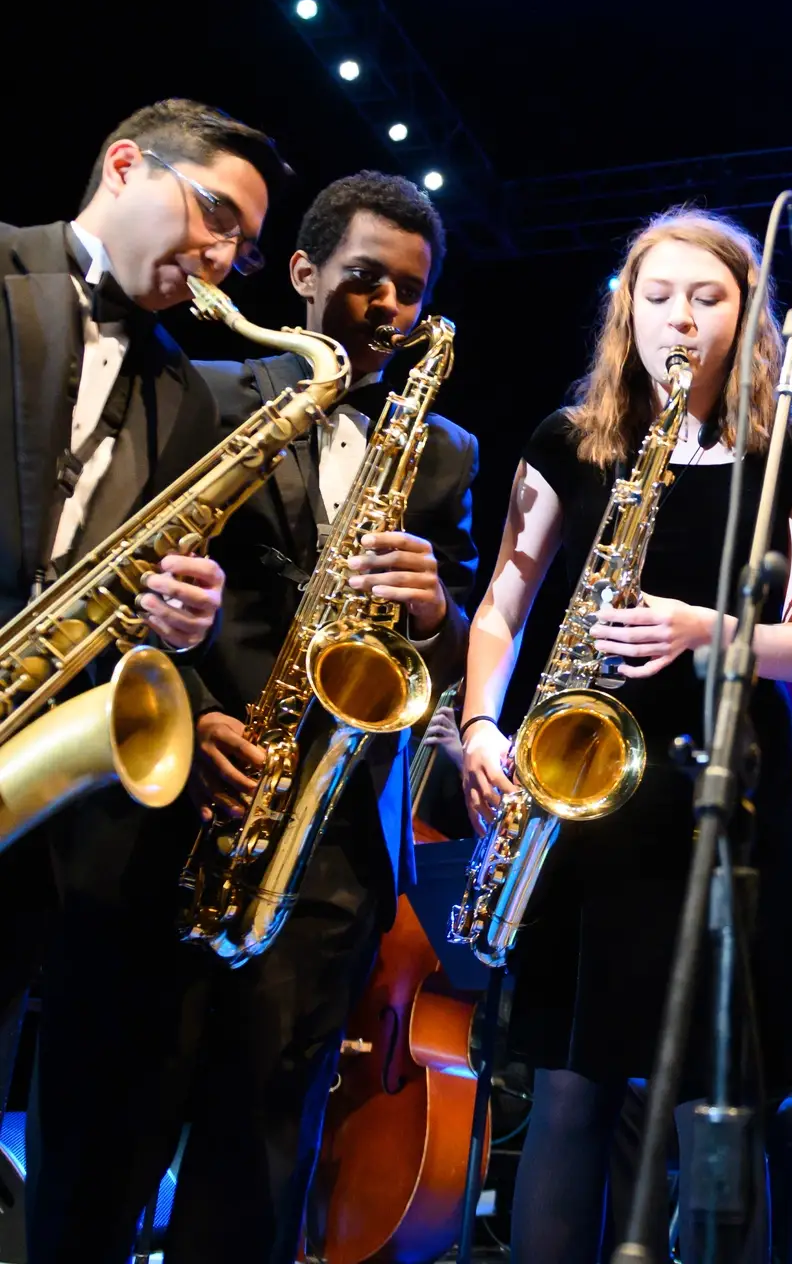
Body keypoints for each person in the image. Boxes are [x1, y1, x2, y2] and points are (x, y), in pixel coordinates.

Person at [24, 171, 479, 1264]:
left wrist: (432, 610)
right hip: (164, 815)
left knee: (259, 1166)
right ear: (306, 274)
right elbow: (106, 581)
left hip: (323, 860)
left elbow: (454, 652)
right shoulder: (195, 393)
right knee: (100, 1152)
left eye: (410, 291)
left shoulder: (444, 450)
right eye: (365, 277)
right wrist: (189, 718)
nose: (388, 308)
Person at [460, 206, 792, 1262]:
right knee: (572, 1088)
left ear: (748, 317)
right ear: (625, 313)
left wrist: (701, 629)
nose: (680, 318)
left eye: (707, 297)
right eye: (658, 296)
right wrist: (483, 725)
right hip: (584, 776)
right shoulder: (564, 442)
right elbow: (502, 604)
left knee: (721, 1094)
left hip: (728, 786)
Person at [0, 97, 283, 1252]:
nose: (223, 257)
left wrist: (180, 620)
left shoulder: (193, 392)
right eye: (215, 215)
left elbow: (142, 581)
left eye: (245, 248)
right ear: (125, 164)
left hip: (47, 780)